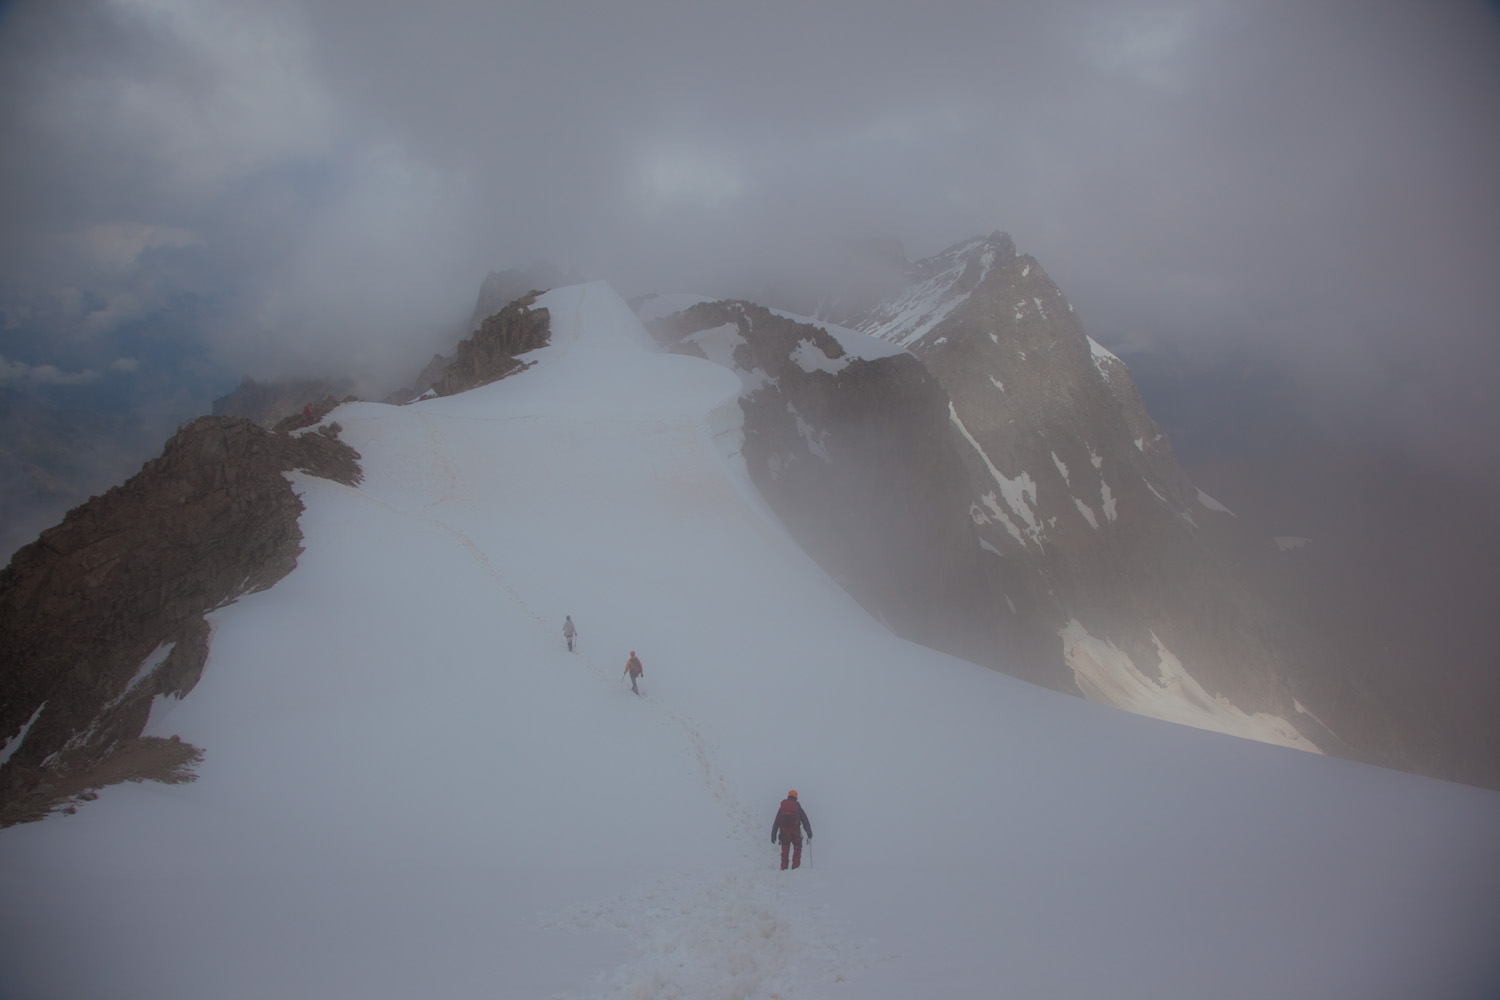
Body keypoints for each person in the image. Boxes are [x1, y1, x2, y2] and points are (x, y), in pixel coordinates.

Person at [771, 789, 812, 869]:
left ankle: (784, 870)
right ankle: (795, 870)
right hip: (795, 835)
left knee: (785, 853)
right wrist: (809, 833)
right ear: (796, 798)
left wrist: (773, 835)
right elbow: (805, 820)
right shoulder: (797, 807)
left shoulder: (782, 808)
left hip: (784, 835)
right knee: (797, 851)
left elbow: (776, 822)